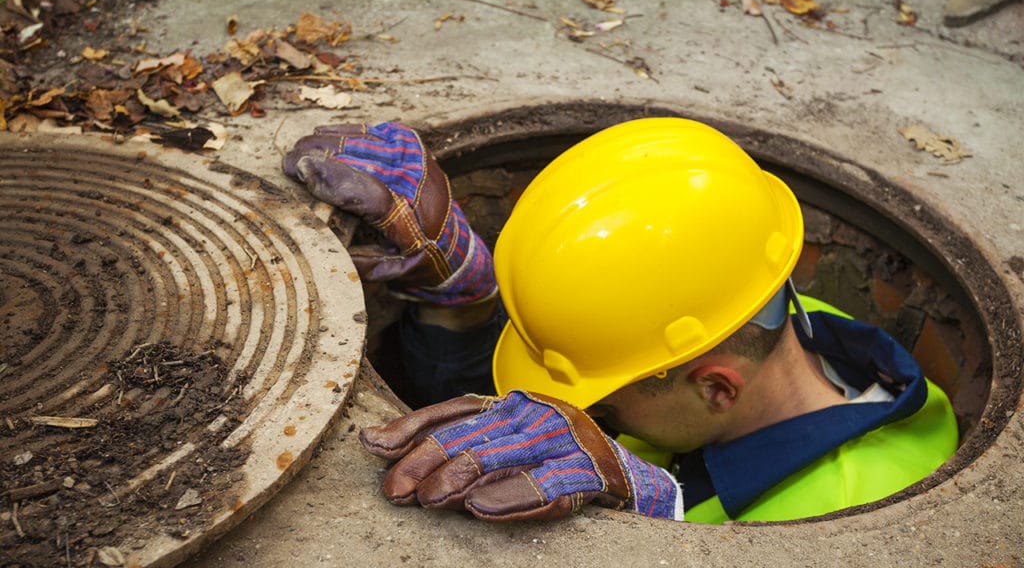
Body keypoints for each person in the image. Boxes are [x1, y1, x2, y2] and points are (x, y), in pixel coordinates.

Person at [282, 118, 959, 524]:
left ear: (716, 386)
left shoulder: (842, 511)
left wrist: (656, 521)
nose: (593, 413)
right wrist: (463, 309)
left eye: (604, 398)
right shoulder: (752, 316)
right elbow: (508, 430)